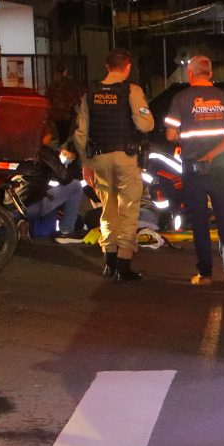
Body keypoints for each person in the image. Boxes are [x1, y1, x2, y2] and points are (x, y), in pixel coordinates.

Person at [72, 49, 153, 281]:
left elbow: (80, 135)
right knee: (128, 209)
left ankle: (108, 262)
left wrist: (86, 164)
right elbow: (146, 125)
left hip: (99, 159)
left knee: (108, 210)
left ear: (107, 67)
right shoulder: (131, 90)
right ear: (127, 67)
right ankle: (123, 265)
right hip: (125, 159)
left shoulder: (89, 94)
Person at [165, 55, 224, 285]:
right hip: (219, 169)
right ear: (210, 73)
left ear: (190, 74)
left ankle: (205, 274)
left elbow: (170, 135)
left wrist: (187, 140)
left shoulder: (181, 99)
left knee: (199, 221)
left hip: (192, 169)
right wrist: (213, 154)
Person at [22, 124, 85, 244]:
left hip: (12, 204)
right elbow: (65, 178)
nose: (51, 139)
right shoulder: (44, 152)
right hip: (31, 206)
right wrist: (61, 158)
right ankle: (66, 232)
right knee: (76, 186)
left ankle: (19, 224)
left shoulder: (18, 148)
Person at [45, 64, 80, 141]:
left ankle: (60, 149)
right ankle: (64, 149)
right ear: (65, 72)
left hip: (55, 115)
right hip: (67, 114)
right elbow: (74, 98)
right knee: (66, 136)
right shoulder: (69, 83)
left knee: (59, 135)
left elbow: (47, 99)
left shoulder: (52, 85)